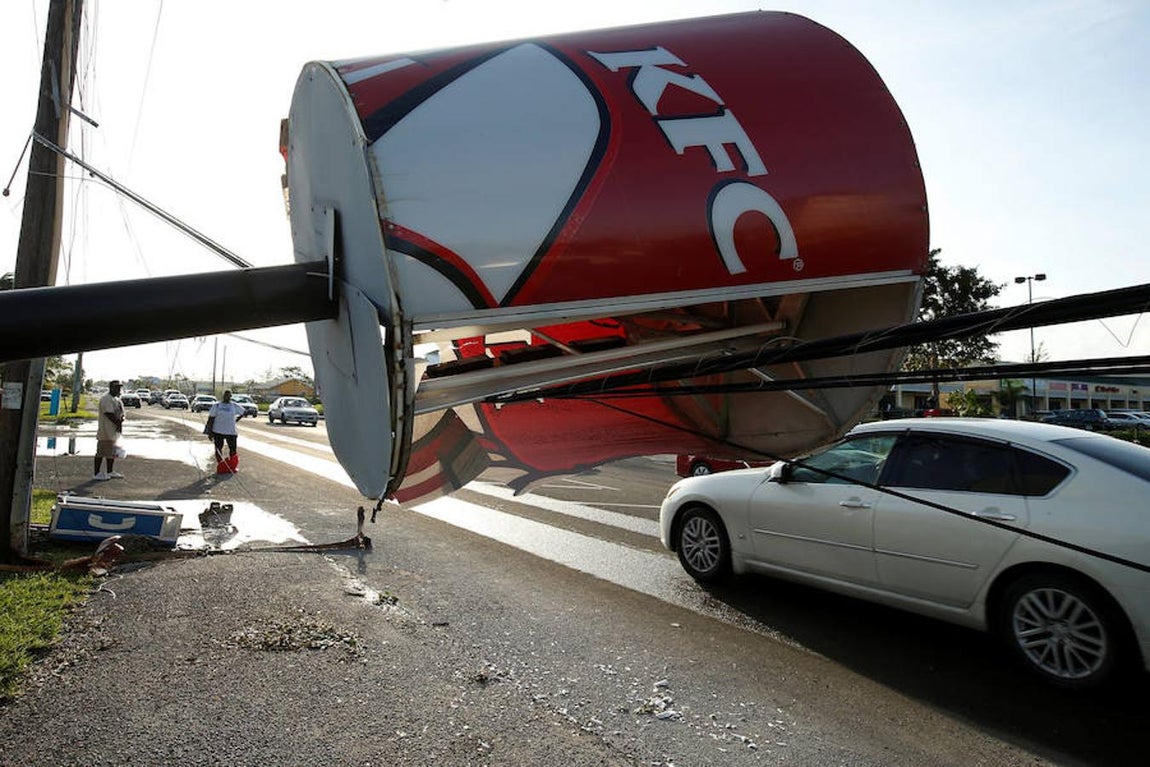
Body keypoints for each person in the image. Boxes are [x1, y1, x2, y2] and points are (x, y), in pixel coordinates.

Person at [205, 390, 247, 473]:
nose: (227, 397)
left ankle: (232, 466)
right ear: (223, 396)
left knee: (233, 449)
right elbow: (211, 419)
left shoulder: (234, 406)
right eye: (226, 395)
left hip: (231, 432)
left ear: (231, 396)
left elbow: (244, 412)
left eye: (229, 395)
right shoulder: (217, 405)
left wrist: (236, 419)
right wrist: (210, 432)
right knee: (218, 448)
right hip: (218, 431)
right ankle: (221, 465)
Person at [94, 380, 125, 480]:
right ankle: (96, 473)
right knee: (101, 452)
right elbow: (109, 414)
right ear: (111, 388)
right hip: (105, 431)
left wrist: (121, 420)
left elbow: (121, 413)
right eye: (116, 387)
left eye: (119, 388)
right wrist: (118, 423)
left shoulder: (116, 399)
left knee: (111, 453)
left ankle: (110, 471)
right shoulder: (106, 399)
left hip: (114, 431)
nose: (118, 389)